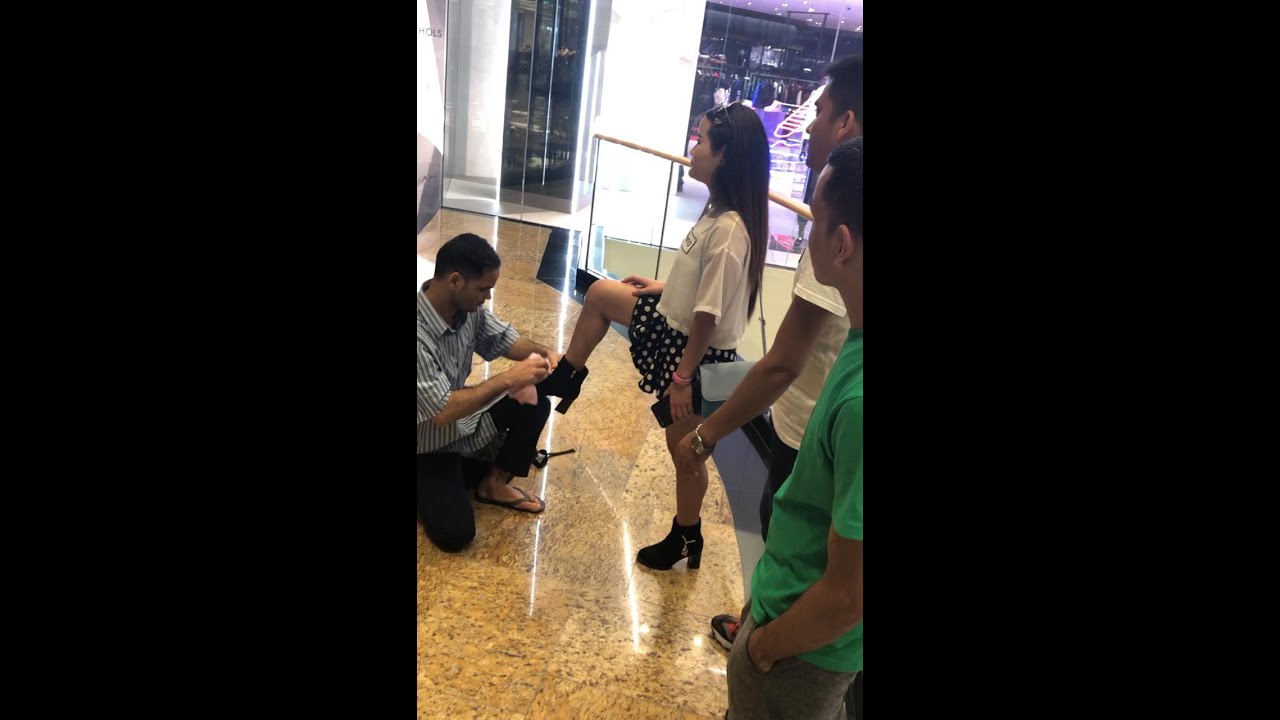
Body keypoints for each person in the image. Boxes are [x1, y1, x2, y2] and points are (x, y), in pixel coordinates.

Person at [675, 54, 862, 651]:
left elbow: (783, 361)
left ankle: (763, 637)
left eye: (821, 111)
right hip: (816, 422)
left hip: (811, 432)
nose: (810, 125)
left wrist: (706, 435)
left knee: (792, 545)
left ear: (846, 123)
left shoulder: (839, 234)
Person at [537, 102, 771, 570]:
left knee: (686, 454)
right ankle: (568, 376)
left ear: (724, 155)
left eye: (701, 140)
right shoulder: (716, 211)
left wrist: (681, 378)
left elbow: (709, 313)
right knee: (602, 294)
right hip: (675, 328)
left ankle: (687, 536)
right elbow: (705, 284)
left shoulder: (730, 229)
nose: (693, 148)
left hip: (693, 353)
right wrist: (664, 285)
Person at [725, 137, 863, 720]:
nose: (807, 233)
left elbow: (849, 593)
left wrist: (764, 647)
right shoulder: (855, 343)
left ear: (841, 243)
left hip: (801, 654)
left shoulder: (860, 402)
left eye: (815, 218)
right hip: (788, 609)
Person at [416, 233, 563, 553]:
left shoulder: (468, 310)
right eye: (483, 289)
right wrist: (508, 379)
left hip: (457, 425)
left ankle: (492, 484)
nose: (488, 297)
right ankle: (450, 475)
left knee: (534, 399)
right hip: (426, 444)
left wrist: (546, 354)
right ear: (455, 281)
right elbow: (442, 412)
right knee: (455, 534)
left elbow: (507, 341)